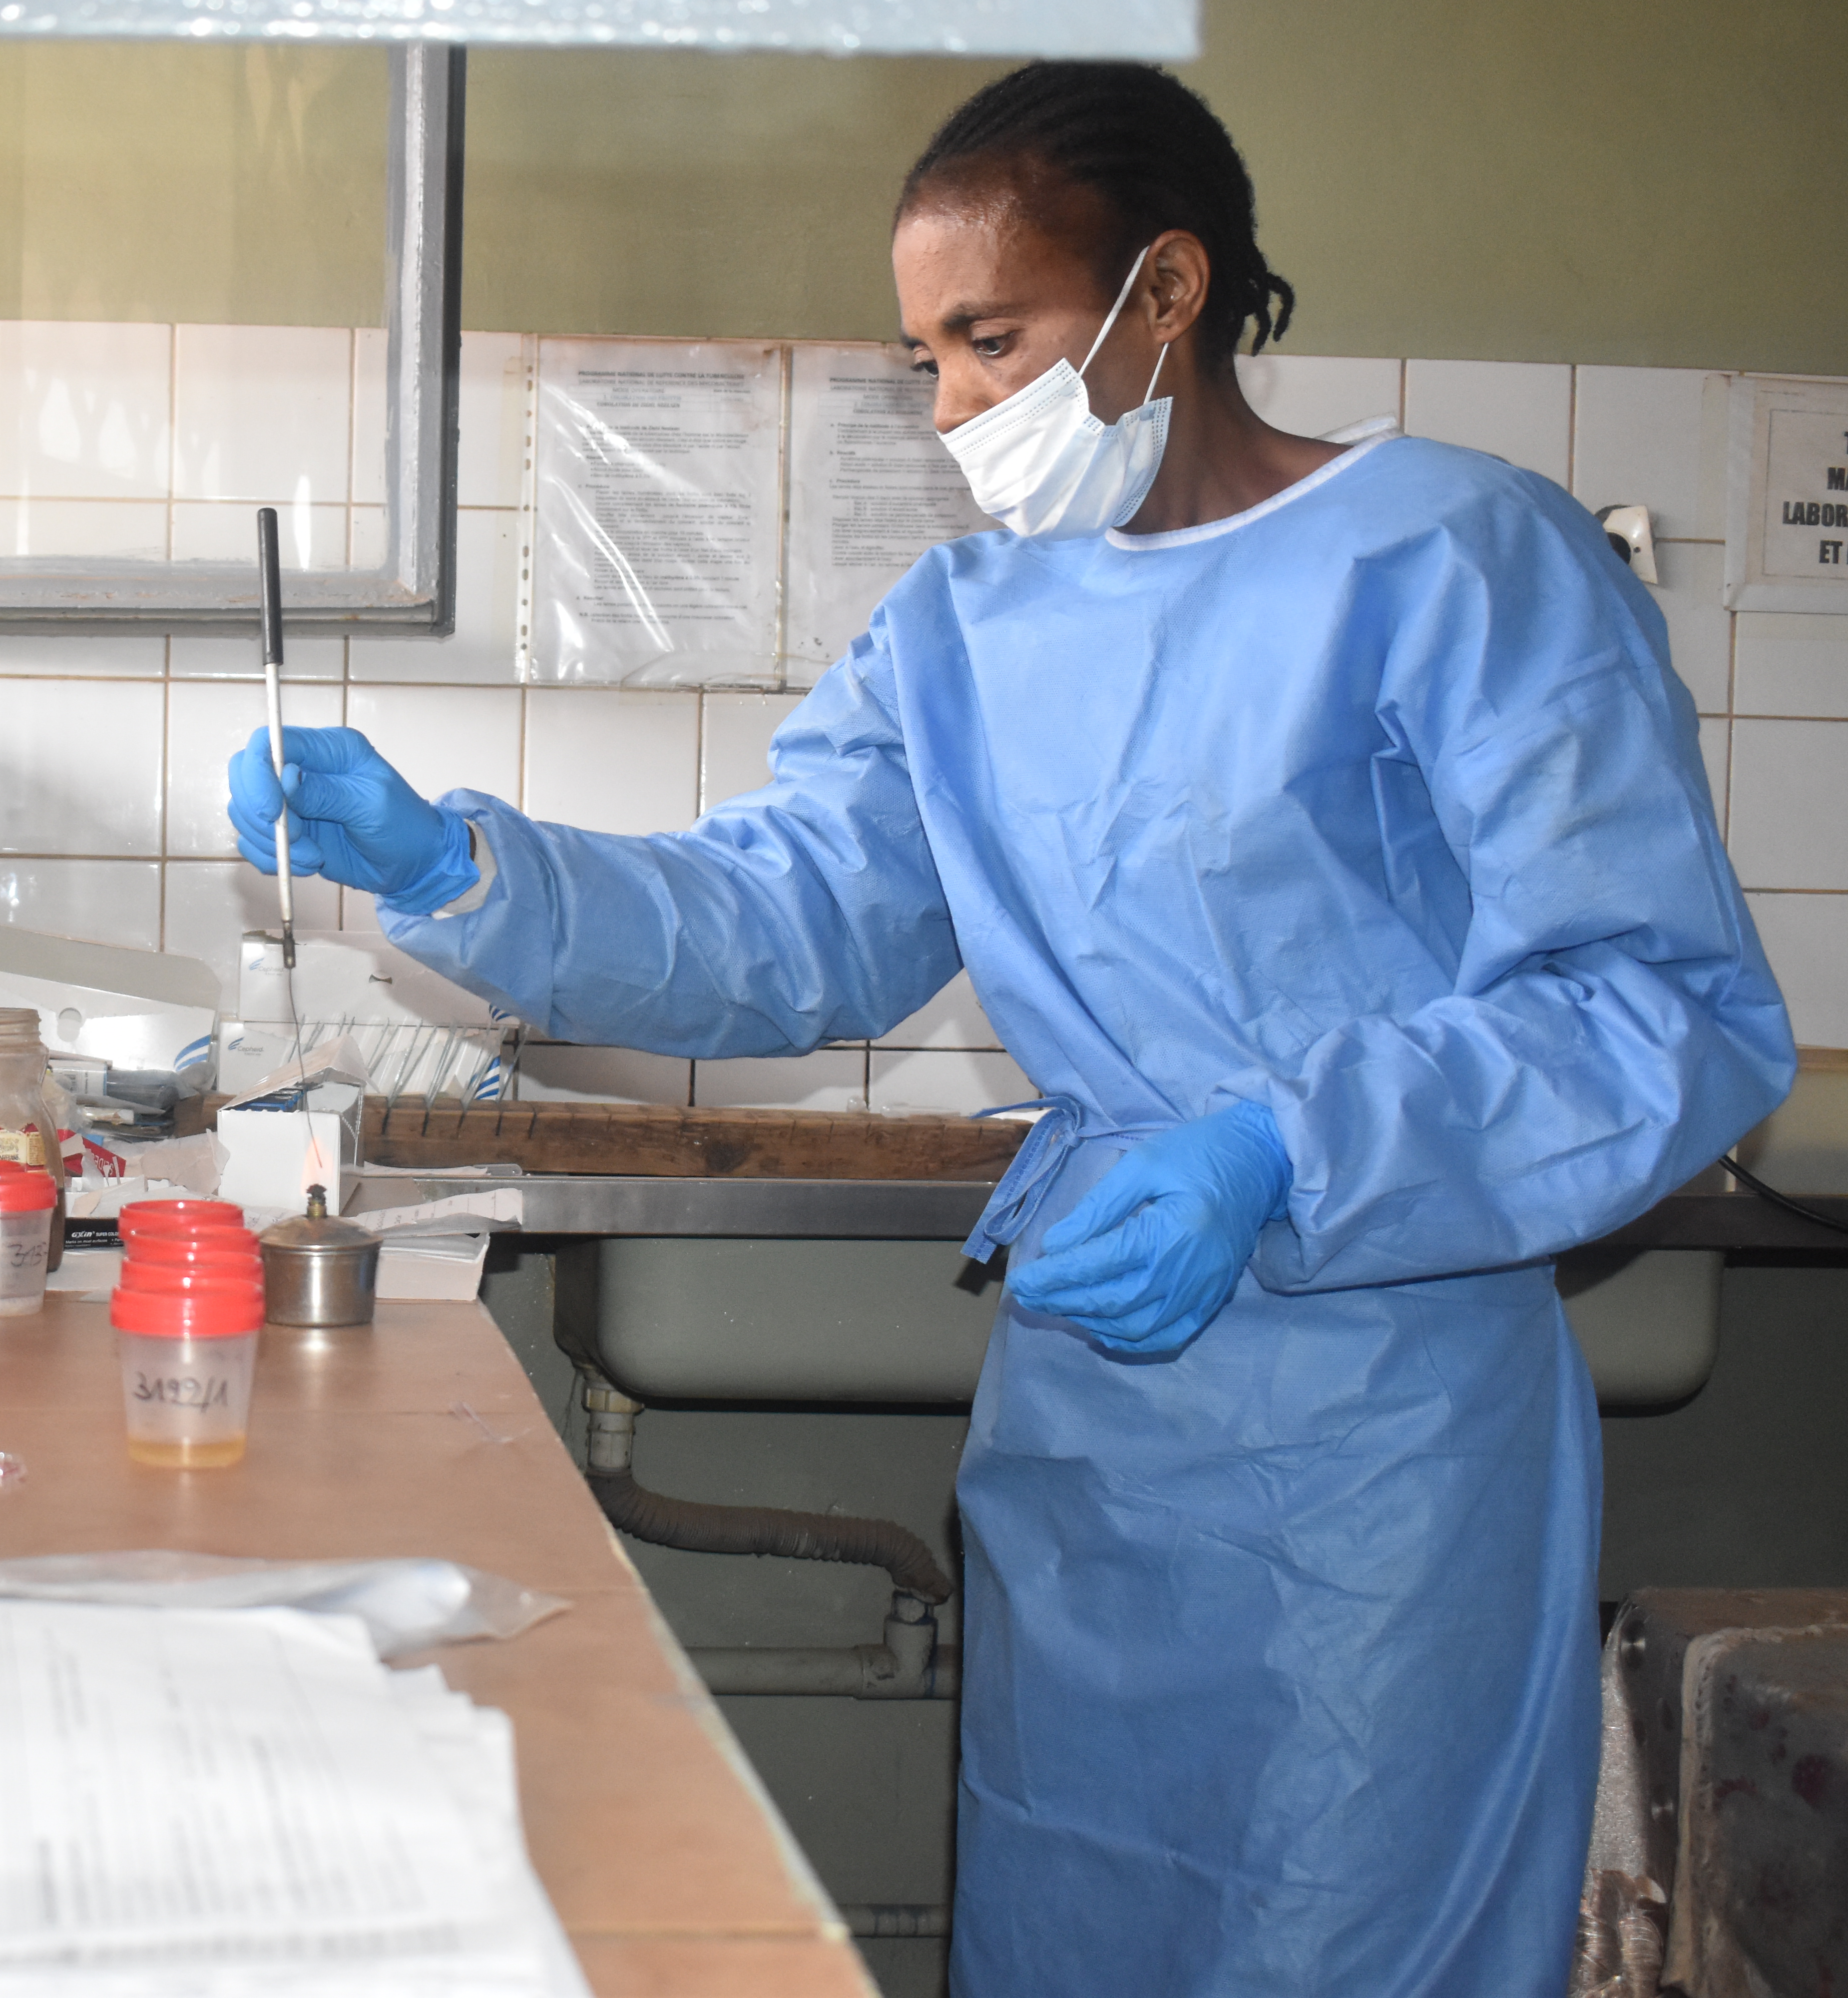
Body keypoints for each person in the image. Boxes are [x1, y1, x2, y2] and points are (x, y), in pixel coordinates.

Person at [226, 59, 1794, 1998]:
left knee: (1343, 1932)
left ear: (1166, 292)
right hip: (1095, 1432)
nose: (960, 408)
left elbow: (1662, 1009)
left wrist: (1285, 1148)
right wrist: (465, 866)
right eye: (929, 362)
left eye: (995, 340)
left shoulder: (1457, 561)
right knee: (1076, 1924)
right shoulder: (967, 635)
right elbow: (783, 922)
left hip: (1383, 1449)